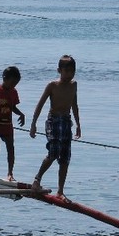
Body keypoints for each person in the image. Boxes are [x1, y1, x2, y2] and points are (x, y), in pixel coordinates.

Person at [29, 55, 81, 197]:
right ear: (59, 70)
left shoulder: (74, 85)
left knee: (65, 158)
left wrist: (78, 124)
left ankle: (60, 191)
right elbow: (40, 105)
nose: (69, 74)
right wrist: (33, 124)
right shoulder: (53, 85)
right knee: (54, 152)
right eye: (67, 71)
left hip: (66, 122)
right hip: (53, 121)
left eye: (72, 71)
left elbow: (74, 105)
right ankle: (37, 180)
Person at [0, 65, 26, 182]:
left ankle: (10, 173)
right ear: (4, 78)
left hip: (7, 125)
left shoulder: (13, 92)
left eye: (16, 83)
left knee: (10, 149)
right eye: (12, 82)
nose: (13, 85)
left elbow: (12, 107)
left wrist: (21, 114)